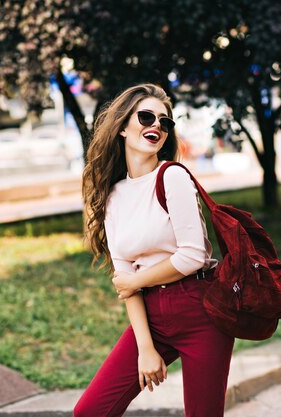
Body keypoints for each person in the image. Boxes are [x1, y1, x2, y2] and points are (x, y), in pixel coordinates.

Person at [75, 83, 234, 417]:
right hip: (151, 316)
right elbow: (124, 276)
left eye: (165, 122)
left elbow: (192, 256)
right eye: (146, 116)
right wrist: (145, 348)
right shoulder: (113, 196)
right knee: (90, 411)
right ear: (121, 127)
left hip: (200, 310)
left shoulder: (172, 176)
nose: (157, 126)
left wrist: (136, 281)